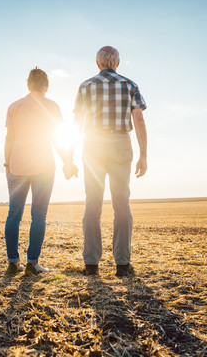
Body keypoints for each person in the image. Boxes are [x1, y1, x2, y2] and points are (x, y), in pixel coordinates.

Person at [71, 46, 148, 277]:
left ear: (97, 64)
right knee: (121, 204)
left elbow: (76, 123)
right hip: (120, 144)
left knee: (92, 204)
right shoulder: (130, 85)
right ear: (118, 63)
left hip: (93, 146)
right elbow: (140, 121)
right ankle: (122, 264)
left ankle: (91, 264)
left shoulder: (86, 86)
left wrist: (68, 155)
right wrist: (144, 154)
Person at [4, 68, 77, 276]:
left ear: (28, 85)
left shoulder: (14, 106)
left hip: (17, 166)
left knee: (14, 214)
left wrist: (7, 165)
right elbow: (58, 139)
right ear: (46, 87)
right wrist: (68, 163)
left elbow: (9, 140)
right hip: (44, 167)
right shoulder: (52, 106)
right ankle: (33, 263)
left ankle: (12, 262)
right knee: (39, 215)